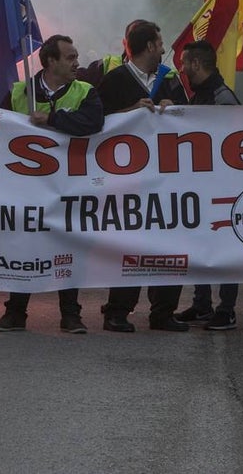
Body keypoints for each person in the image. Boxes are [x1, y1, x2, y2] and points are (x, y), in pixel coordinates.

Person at [0, 34, 103, 335]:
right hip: (26, 185)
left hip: (68, 185)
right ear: (51, 61)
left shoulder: (85, 91)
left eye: (76, 56)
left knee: (69, 247)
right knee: (23, 245)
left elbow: (93, 123)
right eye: (70, 57)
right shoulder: (20, 91)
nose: (77, 62)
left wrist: (52, 119)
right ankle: (15, 313)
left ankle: (71, 315)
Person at [96, 21, 187, 332]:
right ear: (149, 46)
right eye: (160, 43)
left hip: (166, 180)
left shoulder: (170, 80)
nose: (163, 49)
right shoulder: (114, 81)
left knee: (170, 245)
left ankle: (163, 312)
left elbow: (192, 117)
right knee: (129, 247)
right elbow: (96, 122)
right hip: (127, 181)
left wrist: (175, 108)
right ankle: (117, 311)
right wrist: (131, 111)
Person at [173, 40, 242, 331]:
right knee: (200, 246)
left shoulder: (221, 97)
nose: (182, 69)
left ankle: (226, 309)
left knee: (225, 250)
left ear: (197, 65)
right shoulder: (201, 94)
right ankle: (202, 304)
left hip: (222, 188)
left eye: (186, 63)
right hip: (202, 186)